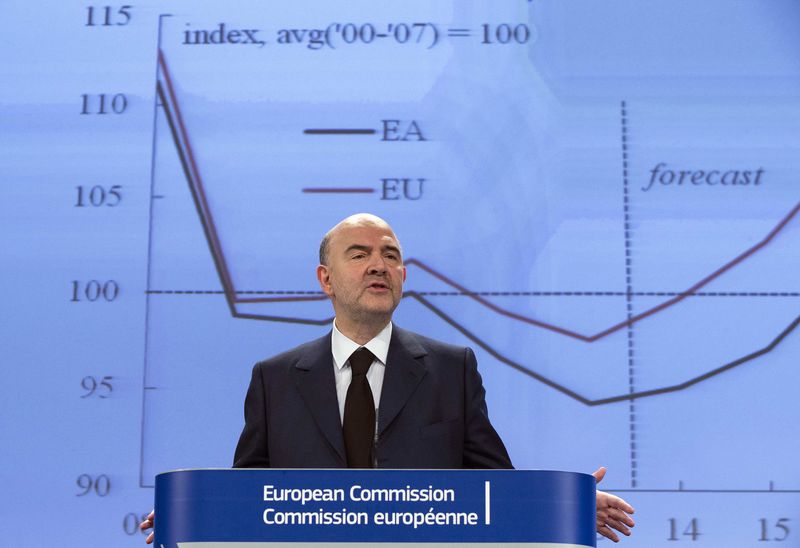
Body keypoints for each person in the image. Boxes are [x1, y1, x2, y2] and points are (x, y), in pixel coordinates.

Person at [142, 213, 635, 543]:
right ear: (325, 279)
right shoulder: (275, 379)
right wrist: (194, 512)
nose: (379, 264)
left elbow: (493, 487)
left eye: (391, 255)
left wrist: (561, 506)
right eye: (359, 254)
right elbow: (250, 493)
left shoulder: (451, 369)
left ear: (403, 277)